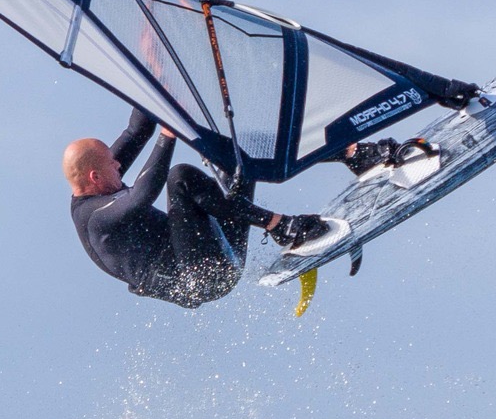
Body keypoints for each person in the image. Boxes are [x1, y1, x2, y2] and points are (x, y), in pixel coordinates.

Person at [66, 109, 429, 309]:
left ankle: (355, 155)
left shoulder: (100, 178)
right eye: (113, 167)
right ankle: (281, 226)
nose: (120, 165)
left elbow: (135, 129)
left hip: (218, 247)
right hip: (202, 280)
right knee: (180, 177)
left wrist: (153, 61)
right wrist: (169, 135)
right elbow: (143, 194)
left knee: (237, 150)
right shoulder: (95, 218)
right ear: (95, 177)